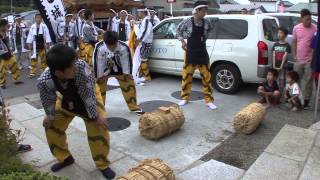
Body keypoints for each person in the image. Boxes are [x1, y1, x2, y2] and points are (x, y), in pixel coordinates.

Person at [38, 44, 116, 179]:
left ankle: (102, 164)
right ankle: (64, 158)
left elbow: (88, 95)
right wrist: (50, 116)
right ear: (58, 72)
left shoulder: (81, 67)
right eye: (70, 66)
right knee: (51, 127)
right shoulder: (45, 81)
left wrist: (96, 116)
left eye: (74, 62)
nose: (75, 66)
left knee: (99, 128)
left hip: (89, 95)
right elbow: (48, 100)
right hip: (66, 99)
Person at [176, 0, 217, 110]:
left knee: (207, 78)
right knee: (187, 76)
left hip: (202, 52)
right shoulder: (187, 21)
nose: (205, 13)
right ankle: (185, 98)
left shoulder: (207, 22)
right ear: (197, 10)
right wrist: (183, 41)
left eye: (206, 11)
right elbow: (178, 31)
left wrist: (203, 39)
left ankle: (209, 100)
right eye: (203, 10)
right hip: (191, 52)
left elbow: (209, 31)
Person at [93, 31, 144, 115]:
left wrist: (127, 74)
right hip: (105, 69)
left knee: (129, 83)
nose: (112, 48)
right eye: (110, 47)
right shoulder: (99, 47)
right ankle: (100, 109)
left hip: (120, 68)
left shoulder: (124, 47)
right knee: (99, 86)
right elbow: (98, 63)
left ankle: (134, 107)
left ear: (117, 41)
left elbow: (126, 61)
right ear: (105, 42)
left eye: (114, 46)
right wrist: (98, 76)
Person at [292, 9, 317, 109]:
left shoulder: (315, 28)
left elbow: (316, 44)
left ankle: (306, 100)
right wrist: (294, 55)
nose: (309, 21)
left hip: (309, 60)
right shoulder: (296, 28)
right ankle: (296, 99)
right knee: (295, 79)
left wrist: (312, 57)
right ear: (301, 19)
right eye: (307, 19)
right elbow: (294, 42)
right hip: (298, 59)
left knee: (308, 81)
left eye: (310, 19)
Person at [0, 19, 23, 89]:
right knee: (1, 70)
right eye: (5, 26)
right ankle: (2, 83)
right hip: (1, 56)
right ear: (2, 26)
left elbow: (8, 43)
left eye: (7, 26)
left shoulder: (6, 32)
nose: (7, 28)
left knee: (14, 65)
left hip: (8, 54)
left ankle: (16, 79)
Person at [26, 14, 52, 78]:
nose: (38, 19)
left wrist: (48, 43)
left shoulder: (44, 26)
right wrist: (29, 44)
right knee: (33, 59)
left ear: (41, 19)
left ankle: (43, 71)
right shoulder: (32, 26)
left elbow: (47, 35)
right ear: (35, 19)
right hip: (35, 45)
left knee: (43, 59)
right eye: (37, 18)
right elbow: (30, 35)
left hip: (42, 45)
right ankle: (32, 72)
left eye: (40, 18)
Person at [135, 8, 153, 83]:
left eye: (138, 12)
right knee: (143, 60)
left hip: (145, 43)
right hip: (144, 42)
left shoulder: (146, 21)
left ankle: (147, 77)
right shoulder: (145, 20)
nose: (138, 14)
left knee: (143, 60)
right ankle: (143, 75)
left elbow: (145, 32)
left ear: (142, 12)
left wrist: (139, 40)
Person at [272, 27, 291, 91]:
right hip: (275, 65)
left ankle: (281, 94)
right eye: (278, 32)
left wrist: (281, 66)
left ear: (285, 35)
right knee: (274, 78)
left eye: (281, 33)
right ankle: (274, 93)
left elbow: (285, 56)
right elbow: (274, 55)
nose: (279, 34)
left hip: (283, 66)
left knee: (282, 79)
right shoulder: (275, 44)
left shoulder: (287, 45)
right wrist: (274, 65)